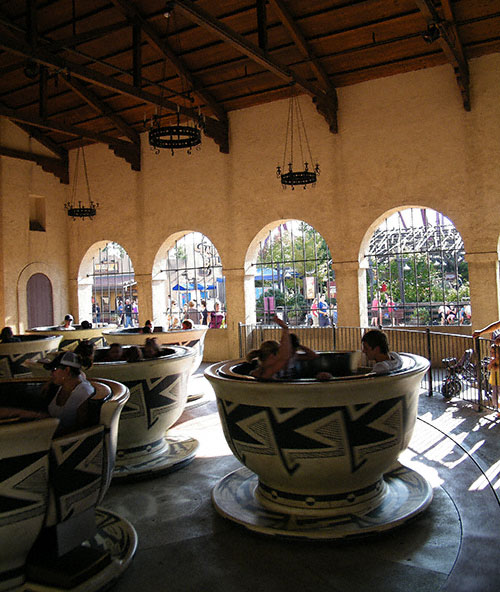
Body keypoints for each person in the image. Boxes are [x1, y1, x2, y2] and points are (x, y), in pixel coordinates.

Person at [0, 351, 96, 435]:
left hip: (56, 438)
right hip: (48, 427)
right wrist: (50, 381)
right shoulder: (68, 382)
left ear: (67, 370)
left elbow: (81, 430)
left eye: (54, 370)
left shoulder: (83, 393)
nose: (51, 374)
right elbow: (80, 374)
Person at [246, 315, 291, 379]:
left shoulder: (254, 373)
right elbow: (285, 356)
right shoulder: (270, 372)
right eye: (278, 354)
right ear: (272, 356)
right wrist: (285, 329)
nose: (279, 357)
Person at [488, 344, 500, 417]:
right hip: (494, 381)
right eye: (491, 352)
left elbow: (497, 368)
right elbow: (489, 368)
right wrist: (492, 362)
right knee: (495, 397)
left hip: (499, 381)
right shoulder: (492, 360)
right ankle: (498, 410)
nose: (492, 354)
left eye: (494, 352)